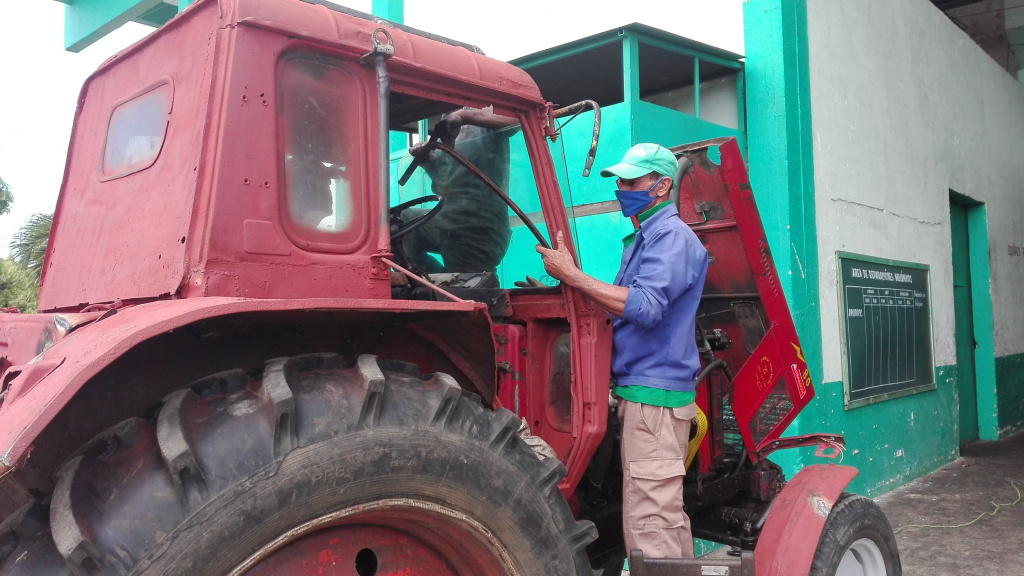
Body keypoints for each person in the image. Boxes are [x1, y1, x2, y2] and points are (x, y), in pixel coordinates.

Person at [536, 143, 709, 560]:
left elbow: (645, 307)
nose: (622, 190)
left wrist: (575, 277)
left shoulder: (670, 237)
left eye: (632, 181)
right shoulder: (647, 236)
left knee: (651, 523)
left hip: (654, 400)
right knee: (662, 517)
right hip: (645, 395)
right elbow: (628, 303)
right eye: (620, 182)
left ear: (662, 185)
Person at [400, 106, 516, 275]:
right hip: (447, 220)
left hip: (476, 229)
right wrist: (428, 161)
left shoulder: (483, 117)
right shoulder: (443, 131)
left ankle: (457, 285)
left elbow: (518, 117)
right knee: (396, 223)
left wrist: (464, 116)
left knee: (468, 292)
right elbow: (446, 183)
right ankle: (429, 280)